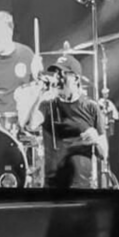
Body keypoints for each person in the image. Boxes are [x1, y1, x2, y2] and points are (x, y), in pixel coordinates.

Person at [23, 57, 107, 190]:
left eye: (62, 73)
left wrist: (95, 139)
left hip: (82, 185)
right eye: (56, 73)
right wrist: (40, 94)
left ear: (76, 79)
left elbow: (104, 154)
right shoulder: (47, 106)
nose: (58, 78)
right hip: (53, 185)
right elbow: (30, 125)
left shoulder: (91, 107)